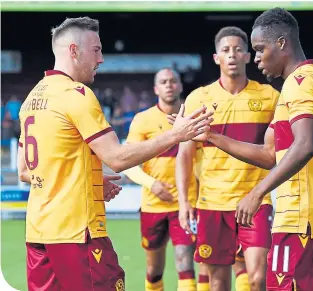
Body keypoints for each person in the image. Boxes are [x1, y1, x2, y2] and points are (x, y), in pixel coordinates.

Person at [17, 17, 213, 291]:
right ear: (74, 51)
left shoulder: (32, 99)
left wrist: (91, 181)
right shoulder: (77, 95)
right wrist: (176, 134)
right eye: (96, 50)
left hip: (38, 232)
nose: (101, 59)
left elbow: (26, 172)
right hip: (77, 232)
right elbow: (117, 158)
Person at [187, 8, 313, 291]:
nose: (256, 58)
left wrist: (257, 192)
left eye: (260, 49)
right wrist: (209, 135)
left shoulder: (299, 84)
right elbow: (269, 154)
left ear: (282, 43)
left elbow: (305, 145)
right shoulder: (312, 80)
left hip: (300, 215)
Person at [174, 26, 280, 291]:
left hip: (255, 199)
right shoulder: (199, 98)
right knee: (218, 283)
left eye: (238, 50)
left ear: (247, 56)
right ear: (216, 58)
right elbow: (185, 155)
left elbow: (278, 152)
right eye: (225, 50)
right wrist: (185, 201)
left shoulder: (270, 97)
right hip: (212, 202)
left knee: (257, 278)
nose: (232, 55)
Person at [124, 68, 199, 291]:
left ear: (180, 86)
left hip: (186, 204)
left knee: (186, 263)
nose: (169, 85)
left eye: (173, 81)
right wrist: (152, 184)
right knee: (154, 270)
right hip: (152, 205)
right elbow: (129, 162)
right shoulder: (143, 120)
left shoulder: (193, 117)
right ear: (156, 89)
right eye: (164, 82)